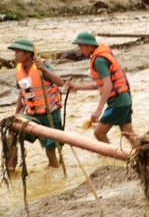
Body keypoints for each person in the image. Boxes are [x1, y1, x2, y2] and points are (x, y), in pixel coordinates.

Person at [68, 32, 136, 146]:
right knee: (128, 133)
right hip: (124, 99)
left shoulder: (99, 61)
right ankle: (144, 157)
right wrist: (78, 87)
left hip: (118, 101)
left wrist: (99, 110)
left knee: (99, 133)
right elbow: (100, 85)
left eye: (81, 46)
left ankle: (112, 158)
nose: (79, 49)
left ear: (90, 46)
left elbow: (108, 85)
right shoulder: (100, 57)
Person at [7, 38, 65, 170]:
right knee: (12, 135)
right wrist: (17, 113)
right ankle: (11, 171)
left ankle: (54, 172)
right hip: (32, 115)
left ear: (28, 53)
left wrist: (44, 70)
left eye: (18, 52)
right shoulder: (19, 70)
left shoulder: (41, 66)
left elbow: (60, 82)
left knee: (50, 150)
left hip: (50, 114)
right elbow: (22, 94)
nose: (15, 55)